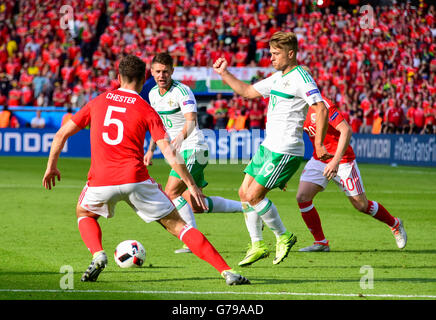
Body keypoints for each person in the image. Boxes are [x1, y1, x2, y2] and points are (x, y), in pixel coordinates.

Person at [42, 55, 249, 286]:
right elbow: (170, 153)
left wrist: (51, 166)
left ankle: (98, 253)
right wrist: (191, 184)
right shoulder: (146, 109)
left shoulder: (97, 102)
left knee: (84, 213)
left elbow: (60, 134)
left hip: (101, 180)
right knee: (179, 226)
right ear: (143, 79)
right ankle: (227, 271)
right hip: (135, 179)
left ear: (118, 77)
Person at [213, 31, 331, 267]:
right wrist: (224, 74)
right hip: (268, 146)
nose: (271, 58)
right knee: (243, 193)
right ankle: (257, 244)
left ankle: (283, 236)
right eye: (270, 53)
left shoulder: (301, 78)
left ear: (291, 53)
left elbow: (321, 108)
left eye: (276, 54)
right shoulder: (278, 78)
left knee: (254, 196)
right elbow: (247, 92)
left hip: (285, 149)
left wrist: (318, 143)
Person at [143, 53, 242, 254]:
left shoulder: (182, 91)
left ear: (172, 71)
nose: (162, 75)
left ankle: (191, 240)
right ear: (152, 72)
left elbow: (191, 121)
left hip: (193, 147)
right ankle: (247, 207)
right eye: (158, 71)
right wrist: (150, 150)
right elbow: (157, 126)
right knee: (197, 204)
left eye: (165, 71)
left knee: (171, 192)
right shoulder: (153, 93)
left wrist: (179, 138)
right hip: (181, 152)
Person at [296, 95, 407, 252]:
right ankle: (321, 242)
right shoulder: (297, 107)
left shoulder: (323, 104)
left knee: (361, 205)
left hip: (342, 159)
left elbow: (346, 130)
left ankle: (394, 224)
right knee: (302, 197)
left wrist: (335, 160)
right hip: (319, 159)